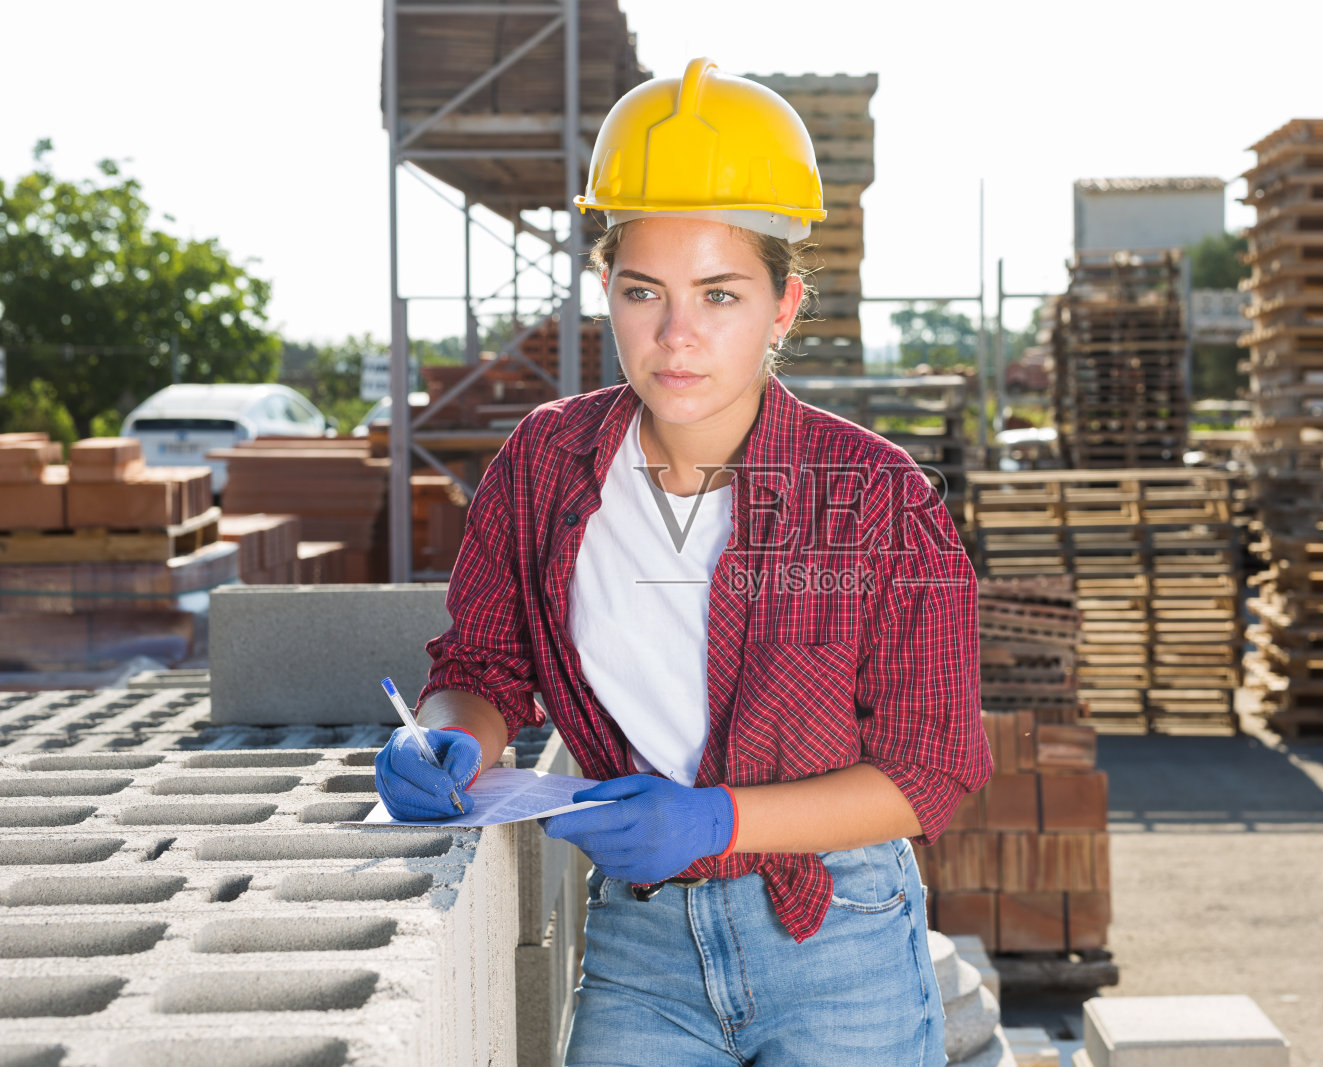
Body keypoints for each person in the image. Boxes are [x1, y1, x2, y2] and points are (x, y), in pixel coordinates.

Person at [373, 58, 990, 1066]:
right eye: (643, 290)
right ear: (606, 288)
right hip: (643, 942)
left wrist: (719, 817)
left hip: (834, 929)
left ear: (783, 304)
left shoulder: (874, 495)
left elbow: (932, 769)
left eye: (720, 293)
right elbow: (484, 671)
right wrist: (449, 737)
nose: (675, 335)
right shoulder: (544, 464)